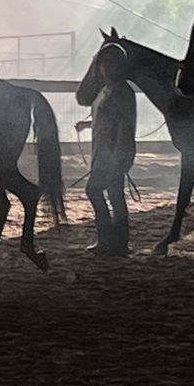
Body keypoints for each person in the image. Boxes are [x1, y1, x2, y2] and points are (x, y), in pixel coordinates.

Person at [75, 43, 137, 256]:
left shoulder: (122, 91)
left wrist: (119, 155)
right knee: (114, 194)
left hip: (113, 153)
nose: (105, 68)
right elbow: (105, 116)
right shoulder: (106, 90)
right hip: (102, 151)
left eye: (110, 64)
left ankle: (110, 240)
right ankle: (116, 242)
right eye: (103, 63)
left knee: (95, 190)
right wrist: (87, 125)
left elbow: (124, 124)